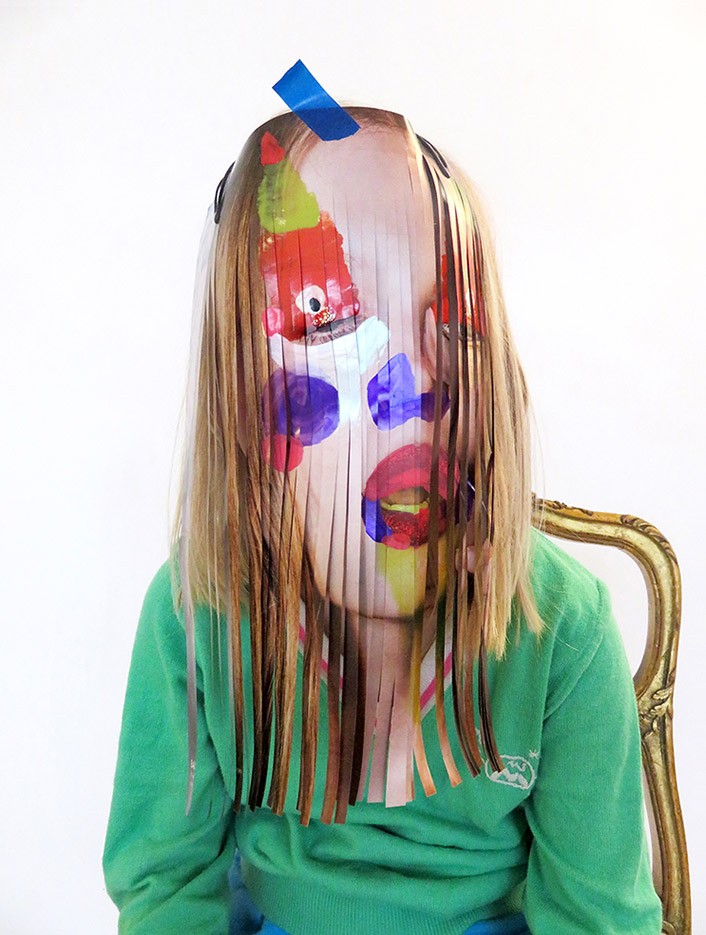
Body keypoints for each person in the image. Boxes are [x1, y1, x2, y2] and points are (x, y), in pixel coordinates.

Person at [103, 107, 662, 934]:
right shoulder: (199, 612)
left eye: (456, 322)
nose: (415, 385)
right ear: (240, 390)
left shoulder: (561, 627)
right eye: (328, 313)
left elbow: (599, 914)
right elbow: (165, 883)